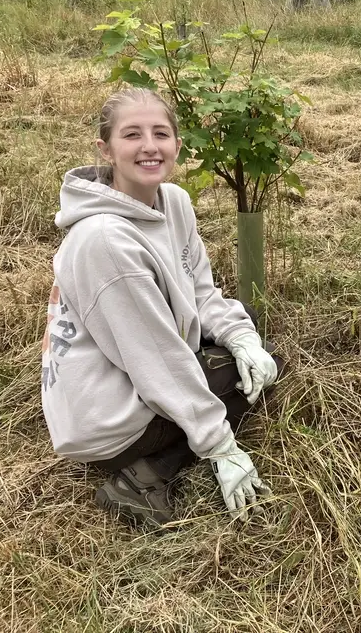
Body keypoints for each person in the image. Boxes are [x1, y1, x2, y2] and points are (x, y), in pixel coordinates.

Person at [41, 88, 284, 528]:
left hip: (130, 369)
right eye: (132, 134)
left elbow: (200, 292)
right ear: (106, 149)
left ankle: (168, 444)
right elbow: (156, 360)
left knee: (256, 355)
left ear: (177, 143)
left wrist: (242, 337)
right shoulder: (104, 241)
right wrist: (220, 446)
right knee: (240, 380)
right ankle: (142, 476)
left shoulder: (174, 203)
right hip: (104, 420)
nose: (149, 146)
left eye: (161, 133)